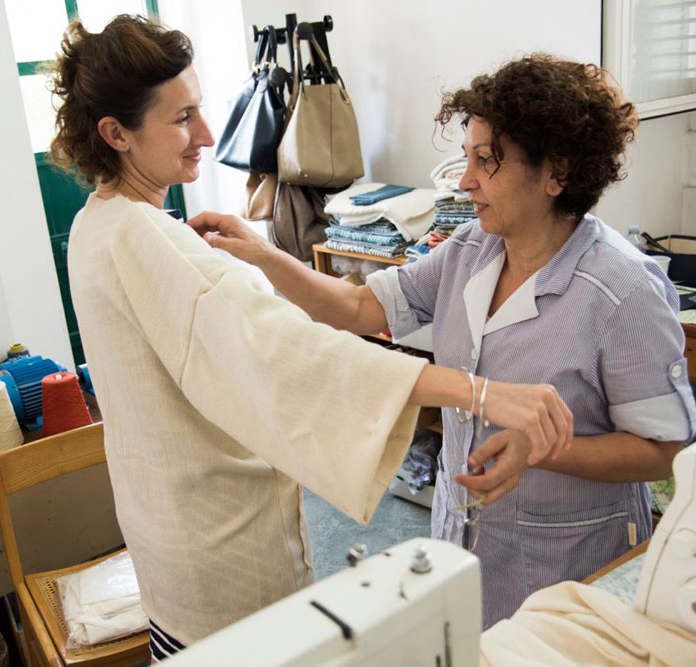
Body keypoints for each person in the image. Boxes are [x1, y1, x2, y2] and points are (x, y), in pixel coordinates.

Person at [52, 17, 572, 657]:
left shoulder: (95, 226)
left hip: (165, 525)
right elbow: (295, 353)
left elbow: (344, 311)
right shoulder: (153, 242)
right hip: (220, 543)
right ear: (116, 133)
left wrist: (263, 257)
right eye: (183, 118)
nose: (207, 136)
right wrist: (479, 392)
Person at [193, 53, 696, 628]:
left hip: (568, 566)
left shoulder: (621, 292)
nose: (465, 181)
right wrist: (263, 255)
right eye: (467, 158)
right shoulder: (469, 251)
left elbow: (663, 449)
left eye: (488, 162)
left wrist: (546, 449)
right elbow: (360, 307)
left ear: (556, 173)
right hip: (465, 541)